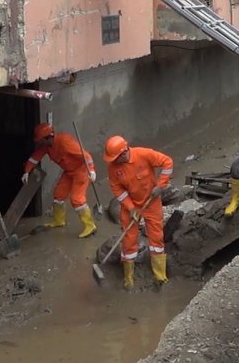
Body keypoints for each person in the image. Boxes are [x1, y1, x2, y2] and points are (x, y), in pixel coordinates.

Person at [105, 136, 174, 289]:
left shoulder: (143, 154)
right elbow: (118, 190)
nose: (113, 161)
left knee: (156, 237)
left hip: (151, 201)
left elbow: (167, 162)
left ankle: (160, 275)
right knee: (129, 239)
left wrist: (161, 185)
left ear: (124, 152)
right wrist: (130, 208)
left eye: (116, 157)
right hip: (131, 204)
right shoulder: (113, 168)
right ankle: (128, 278)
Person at [22, 123, 98, 239]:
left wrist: (91, 171)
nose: (39, 144)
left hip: (81, 170)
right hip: (69, 171)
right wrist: (26, 171)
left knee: (77, 199)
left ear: (49, 138)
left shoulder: (65, 142)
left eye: (41, 141)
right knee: (58, 195)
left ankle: (90, 226)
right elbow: (35, 157)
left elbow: (86, 155)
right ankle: (59, 221)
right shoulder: (46, 146)